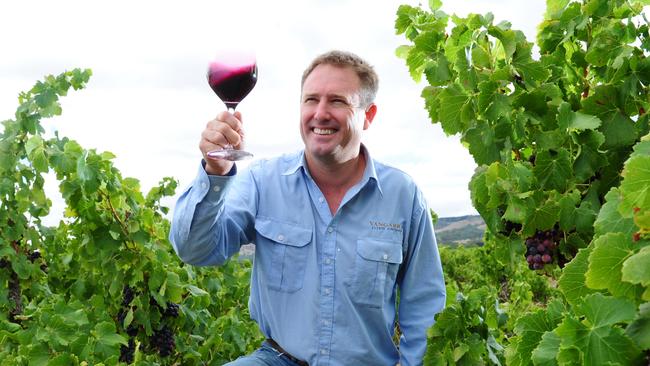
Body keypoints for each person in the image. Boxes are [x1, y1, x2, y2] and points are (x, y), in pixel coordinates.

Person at [169, 50, 446, 366]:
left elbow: (424, 303)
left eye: (338, 101)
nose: (321, 113)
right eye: (311, 100)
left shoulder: (403, 195)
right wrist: (214, 173)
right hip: (279, 360)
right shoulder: (263, 182)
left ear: (368, 116)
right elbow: (195, 250)